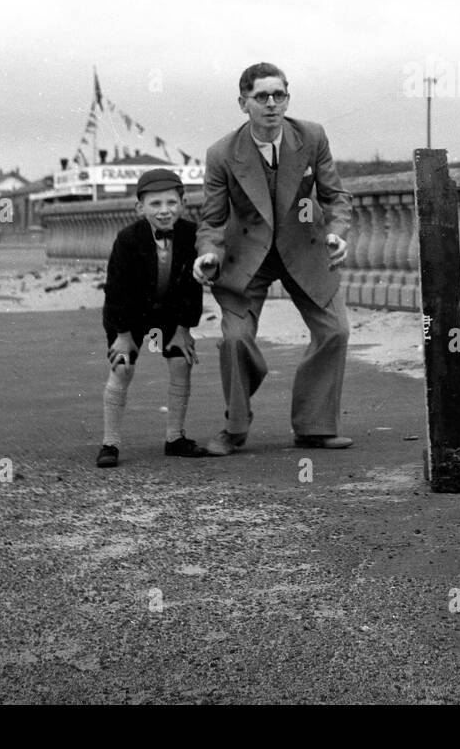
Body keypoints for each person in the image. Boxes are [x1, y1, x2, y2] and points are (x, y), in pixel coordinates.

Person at [193, 62, 354, 452]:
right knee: (235, 340)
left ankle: (314, 427)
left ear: (287, 98)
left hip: (305, 249)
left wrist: (336, 232)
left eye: (278, 95)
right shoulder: (221, 154)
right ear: (242, 103)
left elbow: (336, 196)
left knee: (335, 331)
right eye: (260, 96)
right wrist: (208, 255)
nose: (271, 104)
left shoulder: (312, 136)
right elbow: (212, 220)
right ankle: (234, 428)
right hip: (249, 256)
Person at [97, 168, 210, 467]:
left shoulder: (191, 234)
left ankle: (175, 437)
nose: (164, 211)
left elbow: (193, 287)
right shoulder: (127, 239)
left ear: (183, 204)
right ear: (140, 208)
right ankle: (110, 442)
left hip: (171, 313)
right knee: (122, 368)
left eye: (171, 203)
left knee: (181, 361)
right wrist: (122, 335)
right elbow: (116, 290)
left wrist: (184, 328)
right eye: (155, 204)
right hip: (129, 315)